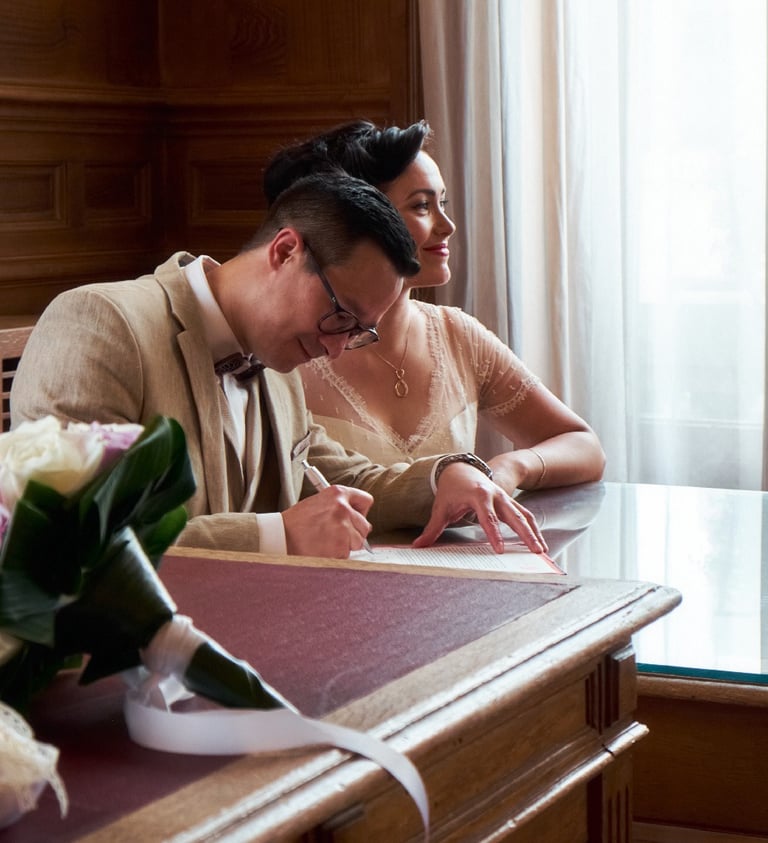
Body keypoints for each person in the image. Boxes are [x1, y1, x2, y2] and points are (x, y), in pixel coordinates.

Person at [11, 172, 547, 558]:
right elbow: (72, 533)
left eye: (360, 332)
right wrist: (277, 536)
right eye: (341, 316)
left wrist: (442, 477)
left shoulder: (277, 355)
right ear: (286, 251)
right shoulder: (101, 322)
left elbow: (337, 474)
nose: (338, 349)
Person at [263, 121, 606, 495]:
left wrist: (510, 467)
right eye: (422, 206)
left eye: (442, 203)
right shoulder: (290, 351)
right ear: (355, 222)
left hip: (457, 556)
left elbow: (583, 444)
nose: (448, 226)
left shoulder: (458, 336)